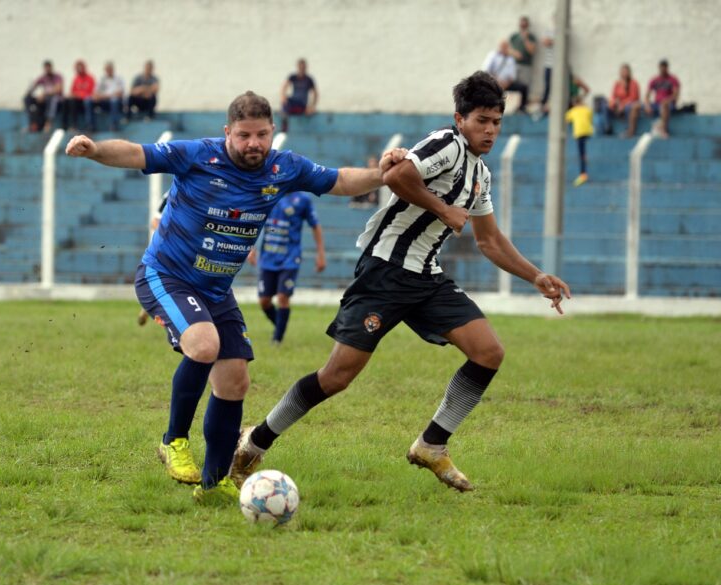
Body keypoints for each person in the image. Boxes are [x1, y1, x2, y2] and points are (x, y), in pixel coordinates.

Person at [230, 72, 571, 494]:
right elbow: (397, 175)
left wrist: (535, 275)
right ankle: (255, 440)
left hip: (426, 278)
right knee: (337, 377)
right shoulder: (445, 143)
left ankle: (432, 444)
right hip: (384, 272)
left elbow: (490, 240)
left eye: (497, 122)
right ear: (459, 118)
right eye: (482, 120)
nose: (490, 130)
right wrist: (443, 208)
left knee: (488, 352)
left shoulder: (480, 174)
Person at [64, 91, 404, 503]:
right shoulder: (196, 156)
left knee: (235, 380)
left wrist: (382, 174)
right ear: (228, 132)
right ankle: (173, 441)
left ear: (273, 132)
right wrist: (95, 149)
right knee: (204, 346)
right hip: (166, 276)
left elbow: (339, 180)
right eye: (244, 135)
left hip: (215, 290)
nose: (254, 144)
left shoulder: (283, 167)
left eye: (261, 134)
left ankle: (214, 483)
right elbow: (136, 153)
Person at [247, 192, 326, 345]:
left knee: (283, 297)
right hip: (268, 257)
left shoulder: (302, 199)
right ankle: (280, 325)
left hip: (290, 258)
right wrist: (252, 248)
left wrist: (320, 253)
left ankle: (277, 339)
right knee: (264, 301)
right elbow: (257, 221)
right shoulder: (267, 193)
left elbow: (315, 225)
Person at [482, 41, 525, 110]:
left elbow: (512, 76)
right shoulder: (493, 56)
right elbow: (486, 71)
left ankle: (522, 108)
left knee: (523, 88)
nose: (504, 49)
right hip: (493, 82)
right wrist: (496, 81)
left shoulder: (510, 59)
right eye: (503, 47)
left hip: (506, 84)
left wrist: (506, 84)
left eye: (506, 47)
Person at [24, 60, 64, 132]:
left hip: (56, 100)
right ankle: (32, 122)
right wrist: (29, 92)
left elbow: (58, 90)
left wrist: (44, 94)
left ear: (51, 68)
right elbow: (34, 85)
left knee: (53, 100)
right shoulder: (43, 78)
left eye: (49, 67)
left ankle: (48, 122)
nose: (47, 69)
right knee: (27, 99)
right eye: (46, 68)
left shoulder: (57, 77)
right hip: (46, 99)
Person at [645, 59, 681, 138]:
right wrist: (647, 105)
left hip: (669, 104)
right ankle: (631, 131)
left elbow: (676, 95)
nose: (662, 69)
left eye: (664, 68)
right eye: (661, 67)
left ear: (667, 68)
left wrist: (667, 100)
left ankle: (663, 130)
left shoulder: (673, 80)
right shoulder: (654, 80)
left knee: (664, 105)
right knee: (636, 106)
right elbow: (647, 95)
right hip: (656, 104)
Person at [280, 58, 318, 132]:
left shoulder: (309, 79)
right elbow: (284, 87)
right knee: (286, 103)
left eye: (303, 67)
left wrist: (312, 106)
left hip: (302, 104)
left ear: (306, 67)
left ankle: (286, 119)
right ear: (297, 67)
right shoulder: (293, 77)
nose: (302, 69)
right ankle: (284, 126)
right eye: (300, 67)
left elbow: (315, 93)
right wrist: (283, 97)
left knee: (289, 107)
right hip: (294, 102)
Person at [508, 16, 537, 111]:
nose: (523, 26)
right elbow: (508, 49)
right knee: (514, 85)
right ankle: (512, 105)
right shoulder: (514, 36)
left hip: (526, 66)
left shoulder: (531, 37)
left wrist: (525, 39)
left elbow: (532, 51)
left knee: (524, 86)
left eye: (525, 24)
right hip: (514, 65)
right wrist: (515, 53)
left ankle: (522, 106)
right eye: (522, 23)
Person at [566, 95, 593, 186]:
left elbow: (566, 119)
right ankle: (583, 172)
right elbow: (591, 116)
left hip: (579, 133)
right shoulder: (586, 109)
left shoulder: (573, 111)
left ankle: (583, 174)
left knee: (581, 153)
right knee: (583, 152)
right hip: (588, 132)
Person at [607, 64, 642, 138]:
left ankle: (630, 130)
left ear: (629, 72)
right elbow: (613, 96)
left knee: (629, 107)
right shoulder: (617, 84)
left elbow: (633, 97)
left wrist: (622, 105)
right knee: (605, 107)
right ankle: (607, 128)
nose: (624, 73)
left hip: (629, 104)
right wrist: (615, 103)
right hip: (619, 105)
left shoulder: (633, 83)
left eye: (625, 71)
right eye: (622, 71)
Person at [92, 61, 125, 131]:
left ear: (113, 69)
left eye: (110, 69)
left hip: (116, 102)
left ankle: (114, 125)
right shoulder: (102, 79)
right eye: (107, 69)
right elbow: (95, 92)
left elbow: (120, 93)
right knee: (88, 101)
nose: (108, 71)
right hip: (104, 101)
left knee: (114, 100)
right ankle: (91, 125)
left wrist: (104, 96)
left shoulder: (119, 78)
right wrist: (101, 96)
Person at [65, 60, 96, 130]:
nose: (79, 70)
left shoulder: (90, 78)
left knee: (87, 101)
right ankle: (71, 125)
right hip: (78, 102)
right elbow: (72, 91)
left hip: (87, 101)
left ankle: (90, 125)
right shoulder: (76, 78)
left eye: (81, 67)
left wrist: (78, 95)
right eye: (77, 68)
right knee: (69, 101)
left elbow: (91, 92)